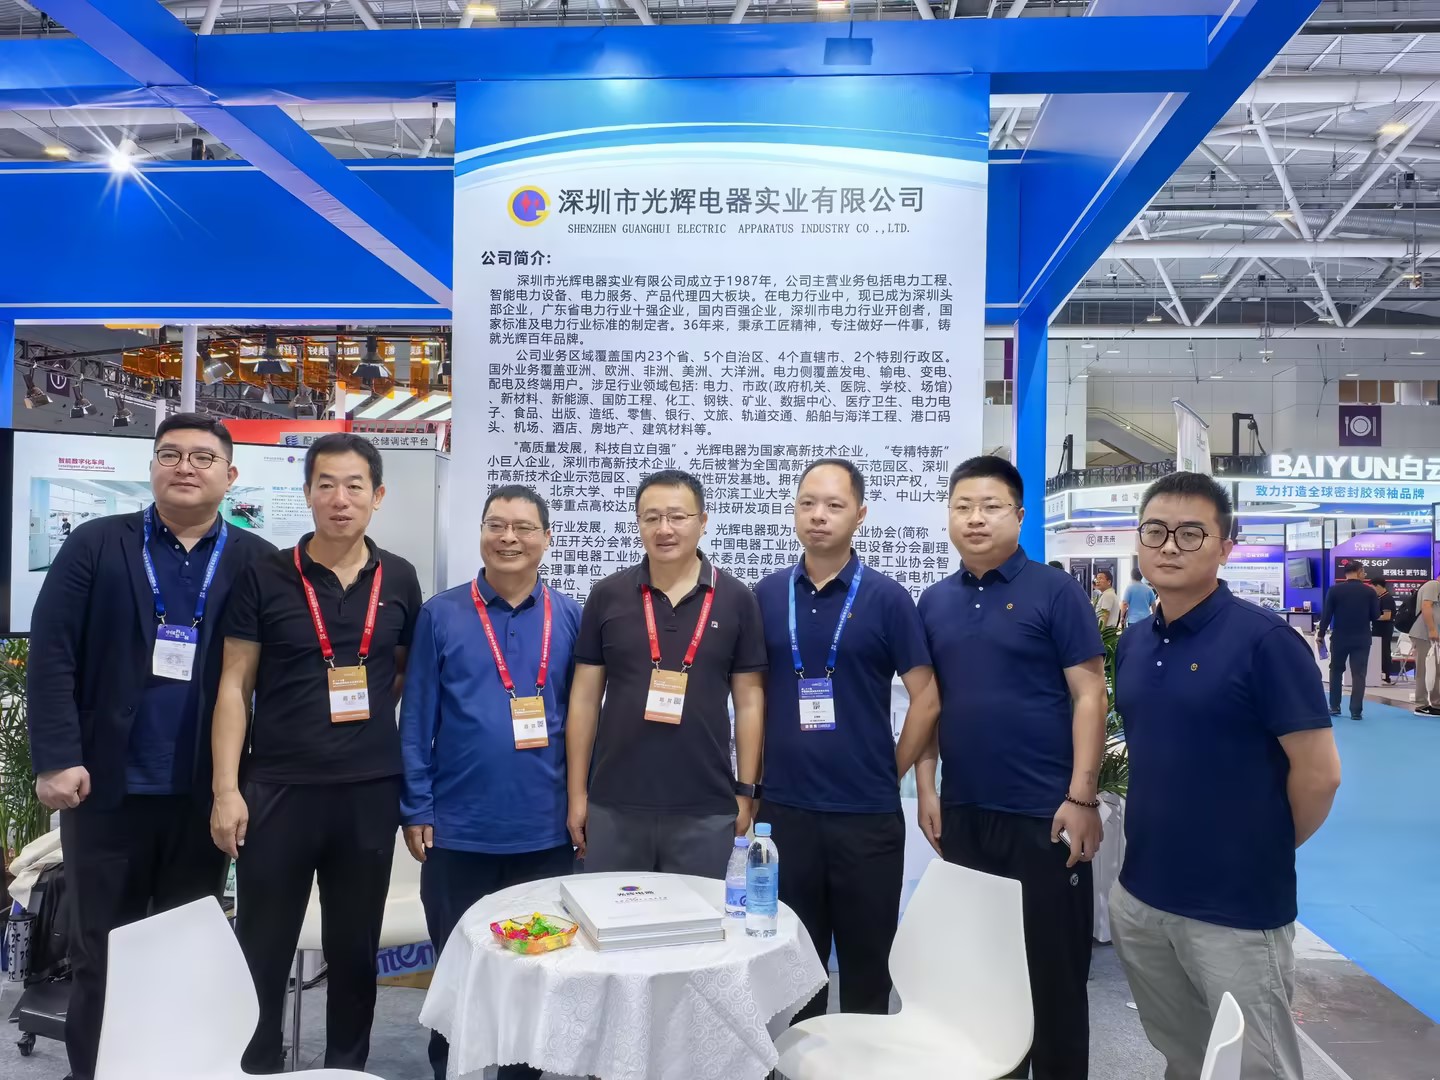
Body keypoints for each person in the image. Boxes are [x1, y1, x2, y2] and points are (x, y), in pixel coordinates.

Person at [25, 413, 274, 1080]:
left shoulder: (256, 560)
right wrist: (55, 758)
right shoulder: (97, 544)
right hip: (105, 789)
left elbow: (271, 676)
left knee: (182, 954)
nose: (184, 467)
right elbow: (52, 654)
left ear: (230, 475)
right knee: (100, 951)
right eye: (170, 454)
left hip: (201, 795)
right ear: (153, 467)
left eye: (202, 457)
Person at [1111, 472, 1341, 1080]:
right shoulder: (1135, 643)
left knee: (1255, 1066)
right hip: (1142, 895)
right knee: (1184, 1055)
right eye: (1155, 531)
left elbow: (1320, 776)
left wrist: (1260, 846)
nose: (1169, 546)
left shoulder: (1266, 642)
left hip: (1236, 909)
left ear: (1225, 547)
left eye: (1191, 533)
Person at [211, 432, 423, 1074]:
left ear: (377, 496)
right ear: (306, 493)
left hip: (368, 791)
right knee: (263, 946)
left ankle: (346, 1068)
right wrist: (226, 789)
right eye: (326, 485)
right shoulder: (265, 574)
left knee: (354, 951)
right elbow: (234, 686)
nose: (340, 498)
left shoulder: (400, 578)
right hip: (278, 788)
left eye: (354, 486)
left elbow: (402, 674)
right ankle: (256, 1067)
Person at [916, 455, 1107, 1080]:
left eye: (991, 506)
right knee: (981, 977)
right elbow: (929, 703)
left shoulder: (1055, 591)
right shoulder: (934, 602)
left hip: (1044, 815)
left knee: (1053, 978)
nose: (975, 518)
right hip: (966, 814)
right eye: (963, 506)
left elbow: (1090, 694)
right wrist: (927, 787)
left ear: (1019, 516)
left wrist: (1082, 798)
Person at [400, 485, 580, 1080]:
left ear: (546, 538)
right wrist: (417, 806)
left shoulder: (570, 616)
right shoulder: (442, 614)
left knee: (533, 977)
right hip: (458, 831)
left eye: (524, 527)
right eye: (496, 525)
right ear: (480, 532)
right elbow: (417, 716)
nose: (509, 538)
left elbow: (585, 721)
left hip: (545, 832)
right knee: (458, 974)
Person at [753, 459, 939, 1022]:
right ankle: (800, 1061)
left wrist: (891, 771)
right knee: (794, 973)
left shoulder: (887, 598)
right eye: (808, 503)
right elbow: (749, 697)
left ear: (859, 514)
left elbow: (927, 698)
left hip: (866, 817)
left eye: (834, 505)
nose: (819, 515)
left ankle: (864, 1059)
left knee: (866, 973)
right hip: (785, 813)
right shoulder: (766, 595)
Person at [566, 469, 767, 877]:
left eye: (677, 516)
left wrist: (747, 792)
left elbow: (749, 702)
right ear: (638, 523)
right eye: (652, 517)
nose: (664, 529)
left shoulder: (737, 599)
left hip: (707, 808)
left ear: (702, 521)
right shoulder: (607, 595)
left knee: (699, 918)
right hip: (614, 806)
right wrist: (577, 795)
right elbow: (584, 700)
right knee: (610, 915)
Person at [1316, 560, 1379, 720]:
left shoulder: (1334, 590)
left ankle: (1334, 706)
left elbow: (1327, 615)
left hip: (1340, 637)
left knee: (1336, 670)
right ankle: (1356, 711)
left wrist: (1321, 634)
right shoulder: (1369, 592)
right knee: (1359, 674)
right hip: (1362, 638)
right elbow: (1375, 616)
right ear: (1359, 571)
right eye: (1363, 571)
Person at [1410, 574, 1440, 715]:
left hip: (1433, 636)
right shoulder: (1433, 585)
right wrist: (1432, 629)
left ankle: (1436, 703)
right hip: (1424, 634)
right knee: (1424, 669)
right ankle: (1421, 704)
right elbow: (1426, 605)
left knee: (1436, 670)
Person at [1370, 578, 1396, 686]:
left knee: (1384, 652)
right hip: (1377, 629)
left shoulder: (1387, 599)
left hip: (1384, 629)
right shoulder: (1379, 598)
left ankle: (1386, 676)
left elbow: (1386, 616)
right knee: (1378, 652)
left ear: (1378, 586)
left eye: (1372, 588)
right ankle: (1379, 674)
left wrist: (1373, 617)